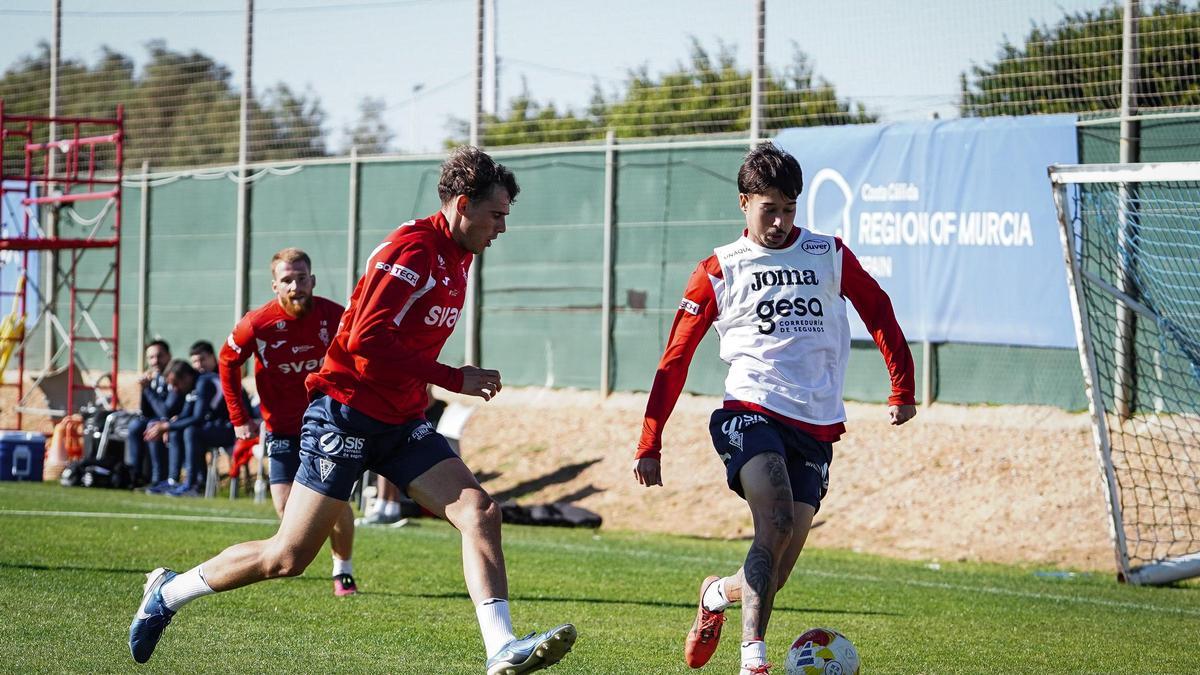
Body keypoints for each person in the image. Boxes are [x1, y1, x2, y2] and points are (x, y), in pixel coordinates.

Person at [130, 146, 577, 674]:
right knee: (288, 558)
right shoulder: (412, 251)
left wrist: (433, 382)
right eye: (497, 214)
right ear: (463, 204)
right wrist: (455, 377)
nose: (502, 227)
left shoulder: (459, 254)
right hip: (345, 413)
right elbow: (366, 339)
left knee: (479, 512)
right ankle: (167, 592)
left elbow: (400, 341)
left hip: (400, 419)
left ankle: (499, 648)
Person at [632, 143, 916, 675]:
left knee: (775, 568)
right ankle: (753, 661)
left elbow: (878, 308)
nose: (782, 221)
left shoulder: (827, 254)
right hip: (749, 411)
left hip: (815, 427)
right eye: (770, 209)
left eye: (790, 208)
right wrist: (651, 441)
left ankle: (716, 594)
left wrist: (902, 386)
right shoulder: (719, 269)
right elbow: (675, 359)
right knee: (776, 518)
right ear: (744, 202)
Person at [217, 247, 358, 596]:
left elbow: (360, 355)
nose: (296, 286)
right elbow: (227, 362)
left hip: (329, 425)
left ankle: (343, 569)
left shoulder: (335, 316)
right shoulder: (258, 324)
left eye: (301, 278)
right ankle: (303, 551)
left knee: (335, 503)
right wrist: (239, 418)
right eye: (287, 280)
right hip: (281, 427)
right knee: (285, 507)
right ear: (275, 286)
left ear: (313, 280)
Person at [144, 359, 236, 497]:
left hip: (232, 429)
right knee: (177, 431)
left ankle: (193, 485)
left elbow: (198, 417)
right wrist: (168, 426)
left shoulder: (204, 382)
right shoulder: (193, 386)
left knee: (190, 431)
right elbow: (186, 415)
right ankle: (173, 480)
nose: (175, 389)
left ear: (187, 376)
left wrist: (167, 426)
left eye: (176, 384)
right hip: (214, 426)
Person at [360, 385, 447, 526]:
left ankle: (389, 508)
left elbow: (427, 397)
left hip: (408, 422)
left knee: (389, 457)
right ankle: (384, 507)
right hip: (398, 418)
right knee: (385, 457)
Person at [127, 340, 185, 491]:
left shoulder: (175, 376)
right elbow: (146, 412)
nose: (155, 361)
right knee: (134, 426)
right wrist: (144, 390)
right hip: (157, 418)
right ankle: (135, 475)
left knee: (153, 427)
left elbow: (166, 411)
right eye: (151, 357)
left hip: (176, 420)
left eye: (159, 356)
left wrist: (148, 390)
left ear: (169, 356)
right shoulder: (155, 377)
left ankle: (158, 479)